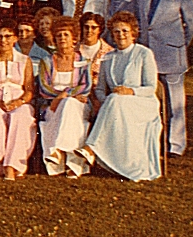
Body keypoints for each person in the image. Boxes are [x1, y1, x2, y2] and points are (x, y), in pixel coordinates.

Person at [77, 11, 163, 181]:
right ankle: (98, 152)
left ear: (133, 33)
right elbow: (100, 89)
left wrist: (131, 91)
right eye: (116, 31)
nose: (121, 35)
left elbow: (151, 88)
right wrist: (105, 102)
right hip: (117, 105)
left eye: (125, 31)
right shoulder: (108, 57)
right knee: (115, 99)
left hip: (142, 104)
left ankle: (91, 147)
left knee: (116, 99)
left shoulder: (143, 53)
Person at [135, 0, 193, 156]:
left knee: (175, 103)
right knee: (148, 101)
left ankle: (176, 145)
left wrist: (179, 44)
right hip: (148, 56)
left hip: (172, 56)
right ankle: (152, 142)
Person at [0, 20, 36, 180]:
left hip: (18, 100)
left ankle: (12, 165)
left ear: (15, 38)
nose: (3, 40)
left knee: (20, 116)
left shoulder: (24, 60)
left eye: (8, 36)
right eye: (0, 36)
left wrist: (18, 102)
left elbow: (29, 90)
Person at [37, 17, 93, 178]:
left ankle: (57, 150)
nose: (62, 38)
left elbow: (86, 86)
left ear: (74, 39)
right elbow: (44, 88)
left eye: (66, 35)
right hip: (52, 106)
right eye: (59, 35)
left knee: (69, 104)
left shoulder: (83, 61)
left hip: (78, 105)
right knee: (68, 107)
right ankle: (73, 166)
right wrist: (61, 97)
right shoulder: (47, 61)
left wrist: (64, 95)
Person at [79, 13, 113, 95]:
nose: (89, 31)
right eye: (86, 27)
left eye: (93, 27)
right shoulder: (73, 50)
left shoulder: (109, 52)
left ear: (100, 30)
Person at [16, 14, 51, 81]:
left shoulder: (44, 55)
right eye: (20, 31)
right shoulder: (9, 51)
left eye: (27, 31)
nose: (23, 34)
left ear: (34, 34)